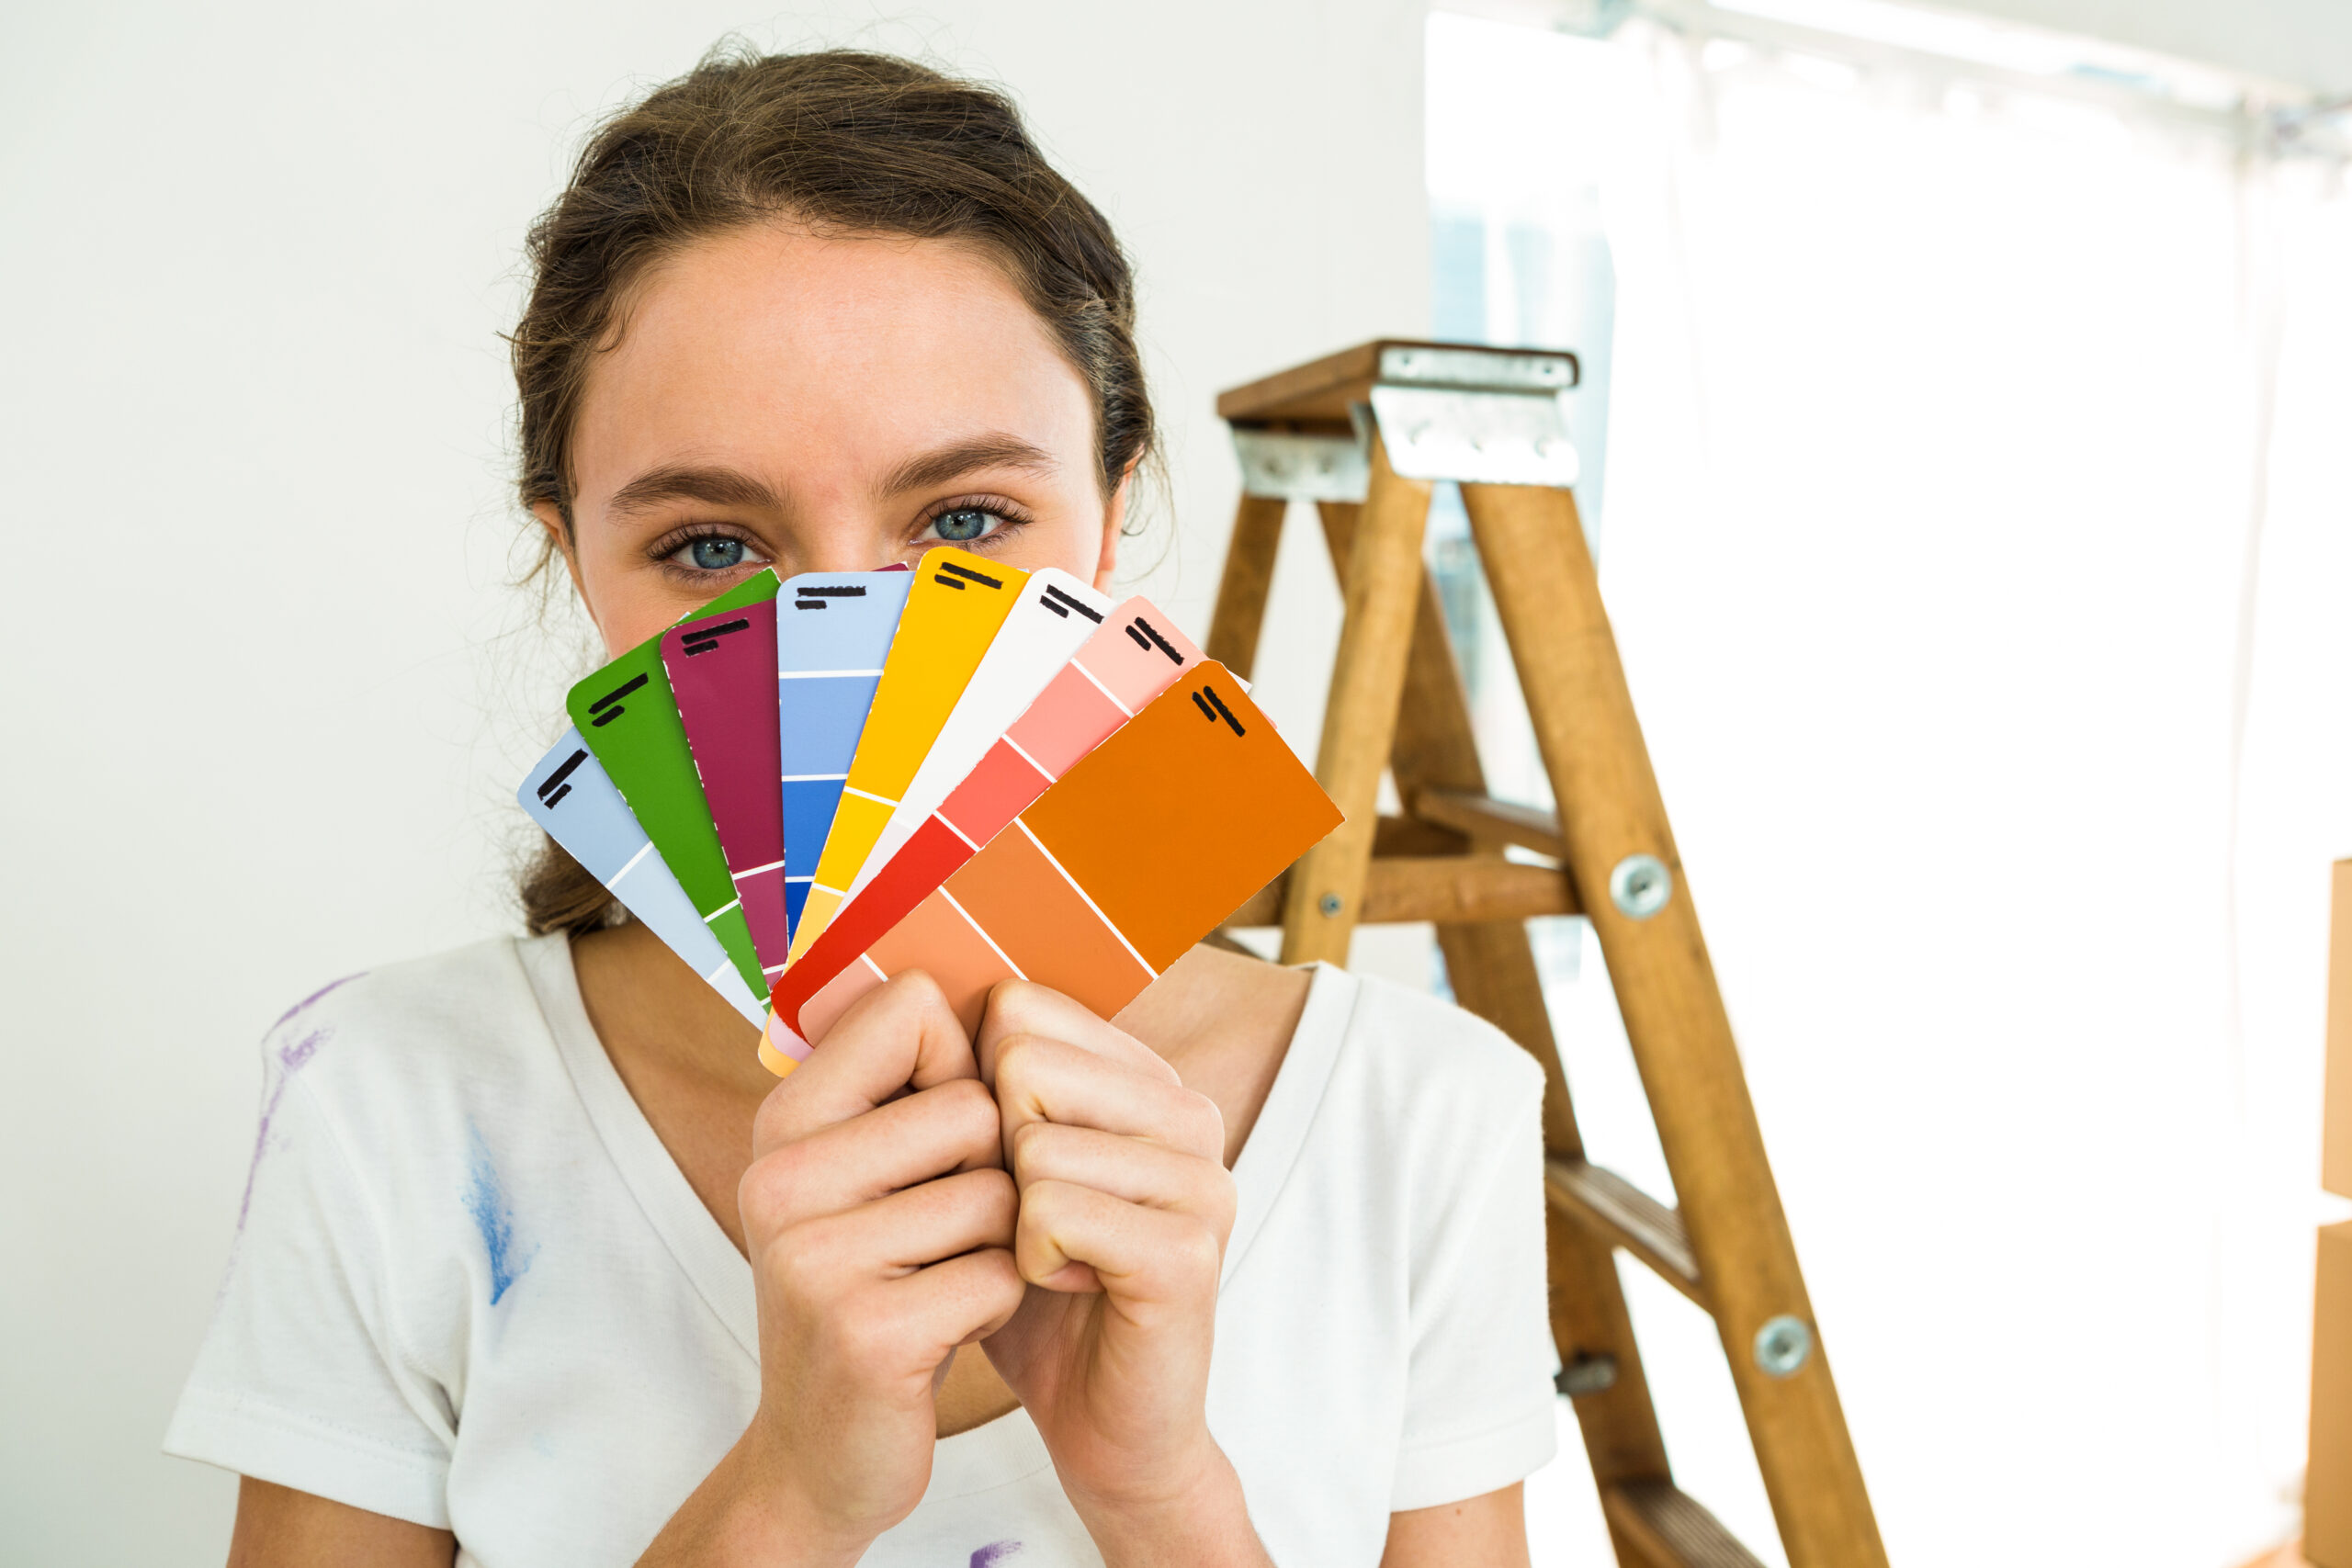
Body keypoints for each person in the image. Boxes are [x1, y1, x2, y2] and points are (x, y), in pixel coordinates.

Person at [166, 47, 1558, 1567]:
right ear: (577, 564)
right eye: (709, 546)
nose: (847, 643)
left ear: (1110, 517)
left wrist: (1160, 1494)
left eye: (965, 524)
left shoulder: (1423, 1118)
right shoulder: (397, 1104)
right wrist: (791, 1491)